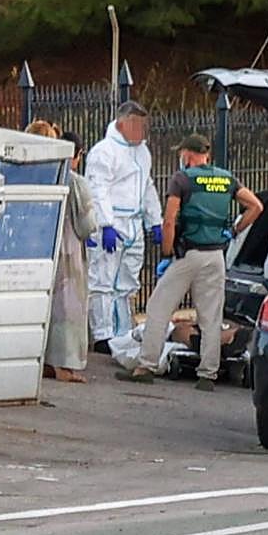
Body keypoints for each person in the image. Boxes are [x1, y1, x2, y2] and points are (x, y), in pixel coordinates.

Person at [117, 134, 262, 390]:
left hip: (188, 254)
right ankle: (208, 374)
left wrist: (166, 254)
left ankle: (146, 366)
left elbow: (169, 221)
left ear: (188, 154)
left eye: (181, 153)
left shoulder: (182, 179)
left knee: (159, 307)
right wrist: (234, 231)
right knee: (211, 316)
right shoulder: (227, 179)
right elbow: (256, 206)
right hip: (215, 256)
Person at [85, 101, 163, 353]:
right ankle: (103, 334)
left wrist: (155, 220)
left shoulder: (142, 152)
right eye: (137, 125)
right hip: (113, 223)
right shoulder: (104, 152)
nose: (142, 131)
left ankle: (123, 331)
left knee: (128, 280)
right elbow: (97, 189)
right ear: (122, 124)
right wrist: (105, 223)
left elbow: (147, 187)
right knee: (103, 280)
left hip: (134, 223)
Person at [48, 130, 98, 382]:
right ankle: (65, 365)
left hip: (44, 249)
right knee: (69, 307)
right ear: (77, 154)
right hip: (70, 252)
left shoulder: (46, 176)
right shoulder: (76, 183)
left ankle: (46, 361)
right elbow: (87, 225)